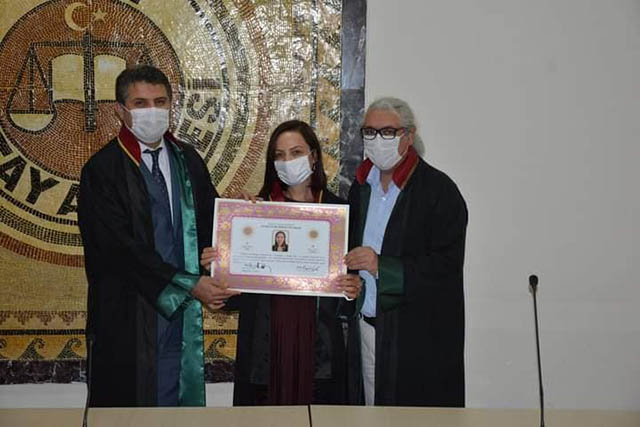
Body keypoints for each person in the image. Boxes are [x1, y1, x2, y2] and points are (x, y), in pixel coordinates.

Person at [78, 65, 238, 407]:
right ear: (120, 110)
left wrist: (244, 223)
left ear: (171, 105)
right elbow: (119, 251)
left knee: (176, 402)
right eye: (140, 103)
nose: (152, 111)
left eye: (160, 101)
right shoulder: (101, 170)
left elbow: (211, 226)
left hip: (181, 318)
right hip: (128, 318)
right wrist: (188, 284)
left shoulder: (188, 160)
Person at [200, 120, 361, 405]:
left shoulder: (339, 214)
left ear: (313, 156)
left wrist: (351, 289)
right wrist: (219, 266)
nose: (288, 162)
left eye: (296, 152)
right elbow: (231, 299)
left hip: (319, 350)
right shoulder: (255, 212)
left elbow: (348, 299)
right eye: (280, 155)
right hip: (265, 349)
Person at [344, 97, 468, 407]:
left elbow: (446, 265)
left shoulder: (439, 191)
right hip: (367, 331)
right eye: (369, 132)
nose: (377, 140)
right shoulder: (361, 188)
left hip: (416, 340)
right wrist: (350, 280)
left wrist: (381, 267)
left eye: (388, 132)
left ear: (408, 136)